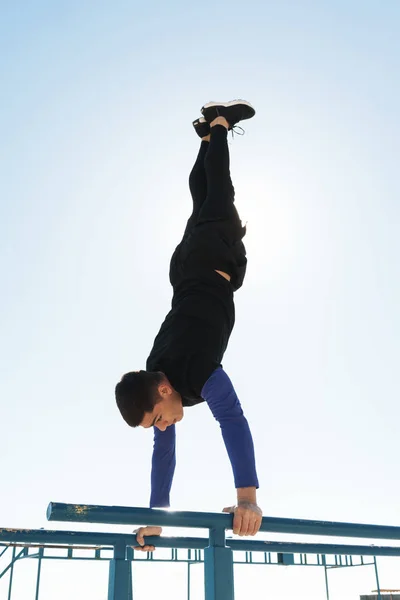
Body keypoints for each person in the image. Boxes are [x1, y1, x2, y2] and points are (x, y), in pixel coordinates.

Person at [115, 100, 262, 552]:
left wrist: (247, 499)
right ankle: (204, 136)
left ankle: (218, 124)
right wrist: (156, 519)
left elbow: (233, 421)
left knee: (220, 189)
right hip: (186, 265)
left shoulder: (198, 372)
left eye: (157, 418)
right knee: (203, 196)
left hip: (212, 255)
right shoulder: (155, 369)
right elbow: (164, 455)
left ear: (162, 392)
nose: (162, 427)